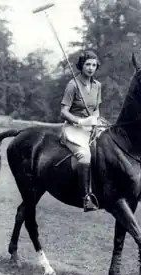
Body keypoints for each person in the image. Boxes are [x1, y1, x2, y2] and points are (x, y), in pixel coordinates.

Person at [60, 50, 102, 212]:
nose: (91, 68)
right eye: (87, 65)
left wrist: (95, 121)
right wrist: (80, 121)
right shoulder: (72, 85)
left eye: (93, 65)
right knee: (85, 157)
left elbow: (97, 109)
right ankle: (86, 197)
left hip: (91, 126)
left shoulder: (97, 85)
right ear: (81, 66)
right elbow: (64, 111)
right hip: (74, 128)